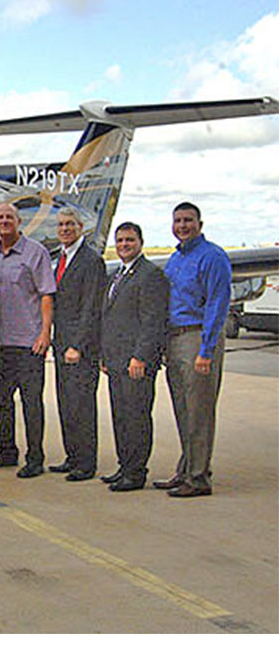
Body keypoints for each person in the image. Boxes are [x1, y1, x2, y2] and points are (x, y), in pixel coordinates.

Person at [158, 202, 232, 498]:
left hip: (197, 337)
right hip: (175, 339)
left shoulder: (213, 257)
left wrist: (207, 349)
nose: (183, 225)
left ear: (200, 224)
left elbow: (217, 304)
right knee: (183, 409)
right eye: (178, 221)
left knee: (199, 410)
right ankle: (186, 468)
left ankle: (199, 478)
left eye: (188, 220)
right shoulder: (175, 258)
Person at [0, 202, 56, 478]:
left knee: (31, 402)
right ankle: (6, 451)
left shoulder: (36, 253)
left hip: (28, 342)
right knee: (1, 401)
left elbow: (46, 295)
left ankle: (35, 457)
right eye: (0, 217)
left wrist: (45, 333)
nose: (4, 221)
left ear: (19, 221)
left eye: (9, 217)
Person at [100, 223, 170, 492]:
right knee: (121, 416)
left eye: (129, 240)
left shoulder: (150, 275)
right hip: (116, 360)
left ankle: (136, 472)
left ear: (141, 242)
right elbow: (111, 318)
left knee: (137, 416)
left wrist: (141, 356)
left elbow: (153, 322)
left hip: (136, 362)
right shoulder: (118, 274)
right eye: (120, 241)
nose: (124, 245)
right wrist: (105, 355)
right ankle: (124, 466)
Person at [49, 207, 106, 482]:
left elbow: (91, 309)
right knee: (66, 403)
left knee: (82, 405)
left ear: (81, 227)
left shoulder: (91, 261)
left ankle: (85, 463)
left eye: (70, 224)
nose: (65, 229)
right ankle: (72, 456)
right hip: (60, 345)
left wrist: (78, 345)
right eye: (61, 225)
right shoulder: (61, 258)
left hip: (78, 348)